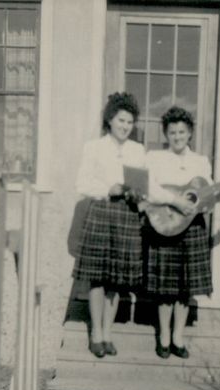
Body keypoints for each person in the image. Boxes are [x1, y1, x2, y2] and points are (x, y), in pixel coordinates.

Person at [72, 92, 145, 358]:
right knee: (98, 277)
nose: (126, 126)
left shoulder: (138, 151)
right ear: (110, 120)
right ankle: (95, 335)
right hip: (101, 212)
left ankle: (108, 333)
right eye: (121, 120)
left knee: (117, 279)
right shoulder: (94, 147)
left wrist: (138, 193)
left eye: (130, 122)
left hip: (126, 215)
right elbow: (81, 184)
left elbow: (142, 183)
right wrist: (108, 188)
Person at [144, 106, 213, 359]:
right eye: (172, 132)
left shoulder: (200, 162)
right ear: (166, 134)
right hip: (165, 222)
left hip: (192, 226)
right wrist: (174, 200)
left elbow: (207, 194)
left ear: (190, 133)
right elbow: (148, 190)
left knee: (185, 286)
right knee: (166, 285)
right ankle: (163, 336)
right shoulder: (154, 157)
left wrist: (202, 199)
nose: (177, 136)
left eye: (182, 132)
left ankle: (178, 338)